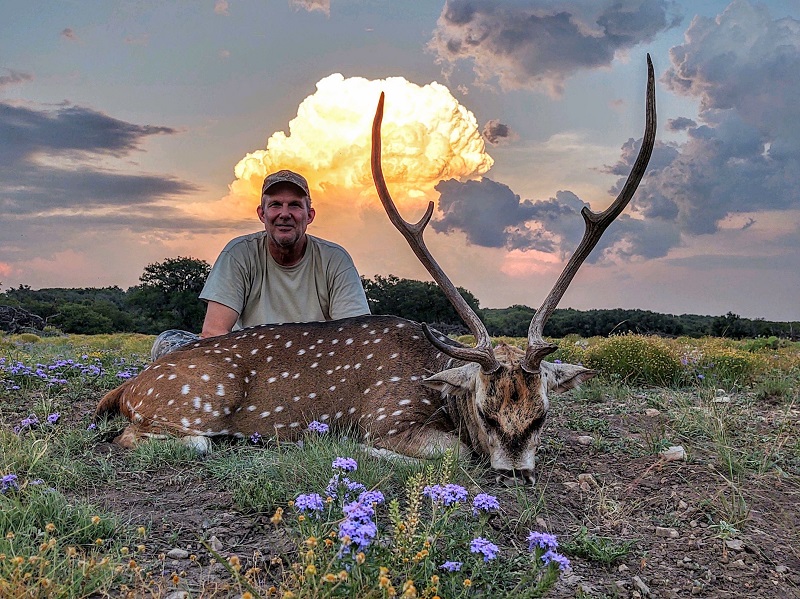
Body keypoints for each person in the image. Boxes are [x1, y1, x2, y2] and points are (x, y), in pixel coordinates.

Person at [151, 169, 370, 360]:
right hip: (249, 366)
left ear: (310, 215)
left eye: (294, 205)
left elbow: (356, 337)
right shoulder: (238, 253)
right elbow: (214, 332)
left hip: (313, 365)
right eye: (275, 205)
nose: (285, 214)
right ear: (262, 214)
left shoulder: (335, 259)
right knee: (168, 342)